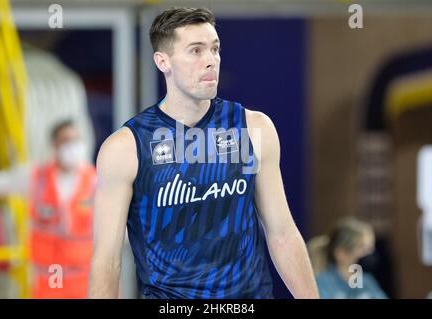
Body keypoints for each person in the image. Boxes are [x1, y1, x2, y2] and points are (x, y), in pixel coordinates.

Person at [89, 7, 318, 299]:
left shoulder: (253, 127)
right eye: (195, 51)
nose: (210, 61)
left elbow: (282, 232)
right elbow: (107, 260)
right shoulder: (125, 148)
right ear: (163, 61)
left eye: (215, 49)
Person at [0, 119, 96, 298]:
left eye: (76, 140)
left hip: (85, 281)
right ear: (55, 146)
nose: (73, 147)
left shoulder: (94, 182)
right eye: (67, 141)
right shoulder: (36, 179)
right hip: (51, 280)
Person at [307, 217, 387, 299]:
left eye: (370, 247)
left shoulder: (368, 282)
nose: (369, 253)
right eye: (362, 247)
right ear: (341, 253)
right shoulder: (322, 283)